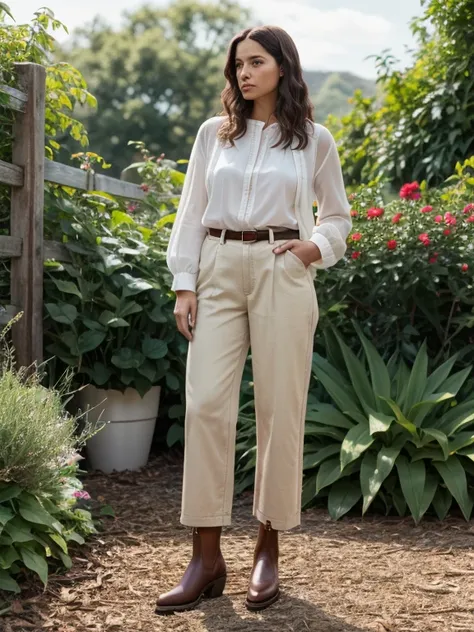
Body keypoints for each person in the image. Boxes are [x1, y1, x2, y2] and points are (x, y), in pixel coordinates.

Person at [156, 24, 351, 615]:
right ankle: (206, 556)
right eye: (237, 64)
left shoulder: (314, 140)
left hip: (280, 269)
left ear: (283, 68)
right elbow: (190, 211)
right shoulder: (214, 134)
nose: (243, 73)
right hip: (216, 266)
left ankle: (268, 545)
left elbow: (337, 217)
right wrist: (184, 283)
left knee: (279, 408)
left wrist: (314, 248)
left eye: (256, 62)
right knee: (206, 403)